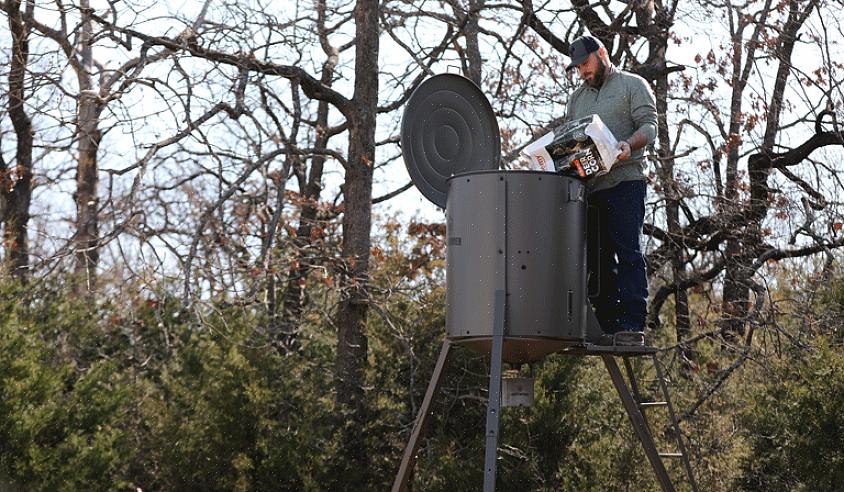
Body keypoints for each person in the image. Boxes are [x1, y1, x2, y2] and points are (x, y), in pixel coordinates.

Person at [565, 35, 657, 346]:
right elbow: (572, 142)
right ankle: (606, 327)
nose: (582, 72)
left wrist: (628, 146)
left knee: (628, 252)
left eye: (585, 64)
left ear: (601, 54)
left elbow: (649, 126)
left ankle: (631, 326)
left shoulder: (633, 85)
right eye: (578, 68)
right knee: (598, 259)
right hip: (593, 189)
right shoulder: (577, 99)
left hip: (626, 182)